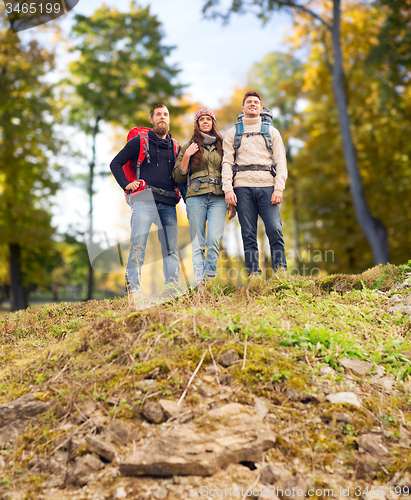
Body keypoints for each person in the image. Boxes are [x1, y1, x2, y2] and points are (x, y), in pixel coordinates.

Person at [110, 103, 181, 296]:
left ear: (169, 119)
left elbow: (181, 175)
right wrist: (126, 184)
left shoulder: (176, 147)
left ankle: (172, 288)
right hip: (144, 200)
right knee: (138, 245)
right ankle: (133, 288)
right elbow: (115, 163)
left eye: (165, 114)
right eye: (158, 114)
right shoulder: (139, 141)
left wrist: (180, 189)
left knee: (171, 249)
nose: (162, 117)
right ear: (151, 120)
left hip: (168, 203)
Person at [222, 91, 288, 278]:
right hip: (242, 188)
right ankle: (254, 275)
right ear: (242, 108)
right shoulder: (232, 133)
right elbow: (227, 163)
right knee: (248, 233)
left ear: (261, 108)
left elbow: (281, 162)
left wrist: (279, 187)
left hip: (268, 187)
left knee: (274, 229)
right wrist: (228, 189)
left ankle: (280, 273)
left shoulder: (272, 132)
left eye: (256, 102)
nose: (252, 104)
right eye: (249, 102)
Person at [173, 109, 233, 287]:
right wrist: (187, 155)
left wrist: (231, 200)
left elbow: (231, 172)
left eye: (209, 119)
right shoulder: (188, 146)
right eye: (202, 120)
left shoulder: (223, 146)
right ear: (197, 124)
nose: (205, 122)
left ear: (213, 123)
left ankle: (210, 278)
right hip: (195, 197)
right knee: (198, 241)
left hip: (218, 197)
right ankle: (200, 282)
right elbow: (178, 176)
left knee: (214, 239)